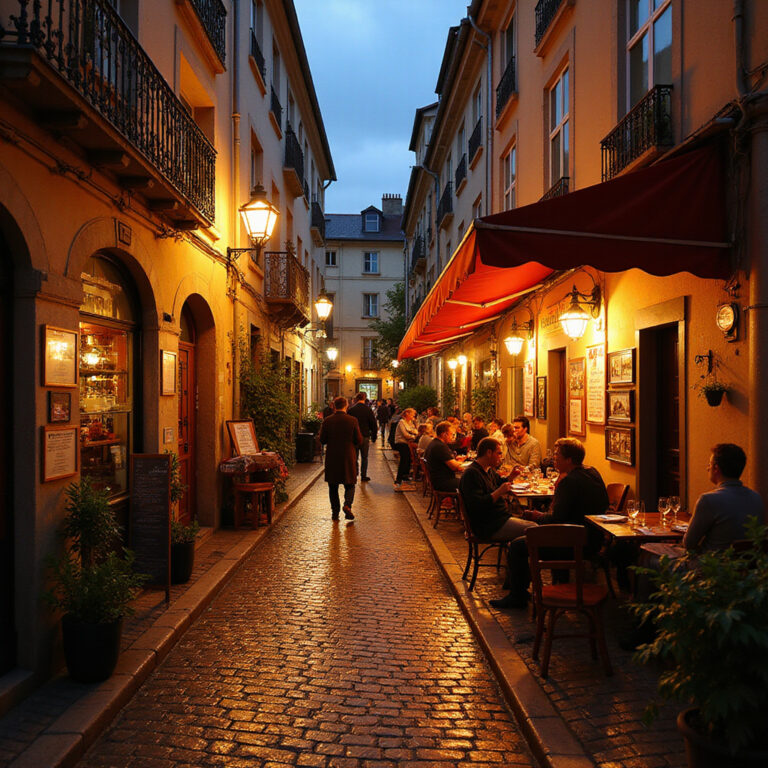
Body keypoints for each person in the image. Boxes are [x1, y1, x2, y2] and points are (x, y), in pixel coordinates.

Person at [492, 437, 608, 609]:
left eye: (557, 455)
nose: (554, 459)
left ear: (568, 460)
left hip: (571, 542)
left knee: (517, 546)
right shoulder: (593, 472)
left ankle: (517, 596)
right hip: (594, 537)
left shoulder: (568, 482)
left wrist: (536, 516)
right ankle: (555, 582)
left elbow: (556, 519)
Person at [459, 438, 536, 553]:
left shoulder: (488, 470)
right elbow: (477, 505)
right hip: (488, 525)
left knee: (534, 526)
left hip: (499, 518)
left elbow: (499, 481)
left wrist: (511, 477)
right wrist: (499, 492)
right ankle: (523, 565)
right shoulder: (472, 474)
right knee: (535, 531)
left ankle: (515, 559)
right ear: (489, 453)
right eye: (499, 453)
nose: (501, 456)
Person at [683, 443, 765, 552]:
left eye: (709, 464)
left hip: (712, 565)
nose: (708, 468)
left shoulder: (708, 500)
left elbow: (688, 543)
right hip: (746, 565)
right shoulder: (756, 498)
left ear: (716, 468)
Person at [318, 396, 362, 521]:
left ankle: (335, 512)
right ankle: (347, 505)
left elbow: (322, 440)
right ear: (346, 406)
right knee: (350, 483)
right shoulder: (352, 420)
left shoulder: (327, 420)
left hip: (332, 456)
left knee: (333, 486)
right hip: (348, 455)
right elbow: (358, 440)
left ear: (334, 406)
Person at [425, 421, 465, 492]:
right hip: (443, 482)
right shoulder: (440, 446)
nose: (452, 437)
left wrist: (456, 461)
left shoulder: (434, 443)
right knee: (470, 483)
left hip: (437, 480)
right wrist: (461, 463)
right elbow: (455, 467)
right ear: (444, 434)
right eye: (451, 434)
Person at [348, 391, 377, 482]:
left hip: (354, 437)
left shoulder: (351, 410)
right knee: (364, 457)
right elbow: (373, 423)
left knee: (354, 457)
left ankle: (354, 473)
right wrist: (374, 436)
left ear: (356, 398)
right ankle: (363, 475)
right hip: (364, 436)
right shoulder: (368, 410)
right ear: (364, 398)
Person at [393, 407, 418, 491]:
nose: (413, 416)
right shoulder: (401, 422)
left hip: (408, 443)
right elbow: (405, 434)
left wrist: (413, 433)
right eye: (412, 414)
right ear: (407, 414)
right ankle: (399, 478)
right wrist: (413, 436)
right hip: (401, 443)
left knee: (408, 459)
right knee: (404, 459)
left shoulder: (410, 422)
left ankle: (405, 476)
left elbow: (416, 431)